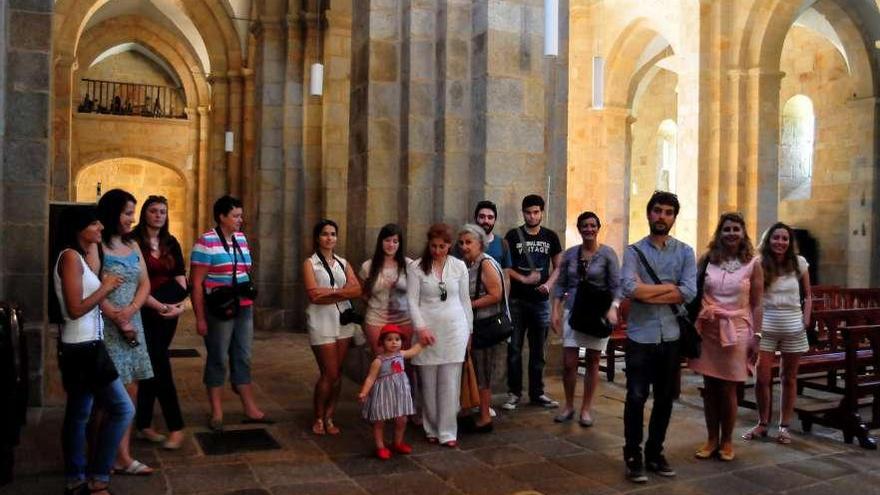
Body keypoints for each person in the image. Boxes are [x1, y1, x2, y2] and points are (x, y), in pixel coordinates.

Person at [54, 206, 133, 495]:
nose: (100, 228)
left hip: (85, 344)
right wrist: (106, 287)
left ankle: (76, 478)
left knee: (79, 414)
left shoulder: (80, 257)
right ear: (79, 228)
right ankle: (98, 476)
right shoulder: (70, 257)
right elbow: (75, 308)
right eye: (94, 224)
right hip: (83, 347)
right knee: (123, 409)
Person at [620, 190, 696, 483]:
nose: (662, 216)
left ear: (674, 217)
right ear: (649, 213)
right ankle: (633, 455)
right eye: (657, 210)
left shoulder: (685, 252)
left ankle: (655, 452)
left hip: (671, 336)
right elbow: (629, 288)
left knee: (664, 398)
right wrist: (669, 288)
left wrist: (647, 292)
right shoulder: (633, 251)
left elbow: (689, 291)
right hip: (641, 335)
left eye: (668, 212)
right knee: (636, 396)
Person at [191, 195, 269, 432]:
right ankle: (216, 410)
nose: (240, 220)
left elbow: (244, 271)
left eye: (240, 215)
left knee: (243, 355)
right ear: (221, 217)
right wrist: (200, 318)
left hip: (243, 306)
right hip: (219, 309)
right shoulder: (206, 242)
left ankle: (249, 406)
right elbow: (196, 284)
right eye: (235, 216)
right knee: (218, 357)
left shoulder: (241, 239)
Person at [689, 213, 763, 461]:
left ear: (743, 233)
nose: (731, 233)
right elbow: (695, 291)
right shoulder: (708, 259)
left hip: (738, 329)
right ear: (719, 233)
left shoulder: (753, 263)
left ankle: (728, 441)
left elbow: (757, 304)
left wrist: (757, 336)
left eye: (736, 229)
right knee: (710, 387)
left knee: (729, 387)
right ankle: (712, 439)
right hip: (709, 328)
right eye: (727, 229)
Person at [95, 189, 155, 476]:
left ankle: (123, 455)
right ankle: (101, 454)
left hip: (133, 324)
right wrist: (115, 315)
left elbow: (145, 283)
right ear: (112, 213)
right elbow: (91, 286)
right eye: (128, 213)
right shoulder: (97, 245)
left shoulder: (133, 244)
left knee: (131, 390)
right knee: (108, 395)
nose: (132, 219)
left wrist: (130, 311)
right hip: (107, 326)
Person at [744, 222, 812, 445]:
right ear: (768, 240)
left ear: (790, 242)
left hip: (793, 326)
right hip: (766, 326)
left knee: (788, 378)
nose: (780, 242)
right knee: (762, 378)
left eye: (785, 238)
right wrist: (754, 330)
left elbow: (808, 295)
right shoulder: (759, 263)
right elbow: (754, 299)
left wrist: (806, 318)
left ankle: (784, 427)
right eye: (776, 237)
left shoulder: (799, 262)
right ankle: (763, 423)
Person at [551, 211, 621, 427]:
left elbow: (616, 285)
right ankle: (569, 405)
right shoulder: (571, 254)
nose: (589, 229)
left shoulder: (608, 254)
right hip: (573, 310)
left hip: (598, 312)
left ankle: (586, 408)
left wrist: (614, 307)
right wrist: (555, 310)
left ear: (598, 228)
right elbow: (561, 283)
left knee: (592, 360)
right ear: (579, 228)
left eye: (592, 225)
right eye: (585, 226)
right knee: (569, 363)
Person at [408, 224, 473, 447]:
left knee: (450, 383)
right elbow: (411, 301)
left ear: (449, 245)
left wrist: (469, 330)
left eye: (442, 247)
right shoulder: (416, 267)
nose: (437, 251)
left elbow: (465, 300)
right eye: (433, 246)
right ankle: (431, 427)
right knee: (428, 383)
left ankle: (448, 431)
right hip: (427, 329)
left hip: (454, 329)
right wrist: (420, 328)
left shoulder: (459, 266)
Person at [131, 195, 187, 450]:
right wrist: (159, 305)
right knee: (159, 364)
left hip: (168, 313)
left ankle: (143, 424)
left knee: (152, 363)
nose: (158, 215)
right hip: (145, 309)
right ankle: (176, 426)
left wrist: (179, 307)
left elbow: (180, 276)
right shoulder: (133, 242)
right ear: (144, 213)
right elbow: (134, 282)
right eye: (153, 211)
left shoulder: (171, 242)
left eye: (162, 211)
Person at [502, 194, 562, 410]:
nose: (532, 216)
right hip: (517, 301)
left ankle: (537, 393)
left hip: (540, 302)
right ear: (523, 213)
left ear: (542, 212)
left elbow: (559, 266)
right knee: (514, 350)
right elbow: (505, 267)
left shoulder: (550, 236)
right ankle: (514, 393)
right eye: (528, 212)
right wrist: (523, 279)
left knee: (538, 351)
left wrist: (549, 285)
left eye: (536, 212)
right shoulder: (513, 235)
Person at [304, 219, 362, 435]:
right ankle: (318, 417)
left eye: (333, 234)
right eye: (325, 234)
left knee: (337, 373)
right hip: (321, 319)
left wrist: (330, 293)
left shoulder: (343, 262)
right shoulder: (310, 263)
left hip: (343, 320)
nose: (329, 238)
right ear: (317, 237)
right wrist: (343, 292)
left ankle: (329, 417)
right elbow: (313, 295)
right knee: (329, 372)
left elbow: (357, 290)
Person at [458, 224, 506, 432]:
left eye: (469, 242)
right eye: (461, 243)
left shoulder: (485, 263)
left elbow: (496, 294)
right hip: (474, 325)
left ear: (480, 243)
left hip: (485, 325)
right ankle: (472, 410)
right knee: (475, 370)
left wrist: (469, 304)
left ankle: (485, 417)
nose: (464, 246)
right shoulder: (469, 264)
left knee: (483, 371)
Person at [358, 324, 426, 459]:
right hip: (383, 393)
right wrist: (364, 392)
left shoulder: (401, 354)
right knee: (380, 420)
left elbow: (413, 351)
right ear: (382, 342)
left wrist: (423, 343)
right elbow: (371, 378)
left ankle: (398, 442)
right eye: (389, 339)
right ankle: (380, 446)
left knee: (402, 419)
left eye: (397, 339)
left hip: (400, 392)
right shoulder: (379, 361)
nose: (394, 342)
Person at [359, 224, 412, 354]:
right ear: (380, 241)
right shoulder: (368, 266)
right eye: (387, 240)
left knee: (402, 360)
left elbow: (417, 293)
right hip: (376, 319)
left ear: (400, 244)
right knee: (381, 360)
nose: (391, 245)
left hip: (404, 319)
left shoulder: (409, 265)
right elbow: (363, 293)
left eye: (395, 241)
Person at [454, 201, 512, 268]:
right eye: (482, 217)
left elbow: (506, 272)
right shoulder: (462, 243)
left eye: (490, 217)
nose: (486, 221)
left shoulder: (502, 243)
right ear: (475, 218)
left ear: (495, 220)